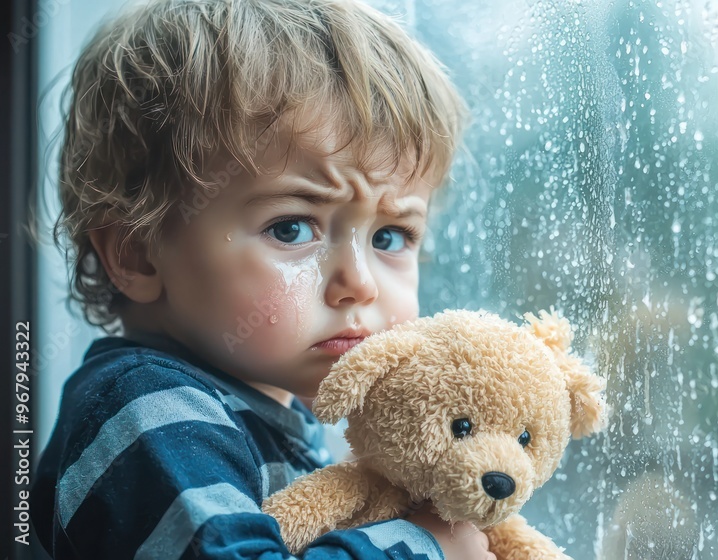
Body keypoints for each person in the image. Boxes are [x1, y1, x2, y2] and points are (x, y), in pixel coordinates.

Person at [30, 0, 490, 558]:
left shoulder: (256, 409)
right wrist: (420, 546)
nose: (360, 284)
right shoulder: (148, 410)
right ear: (138, 255)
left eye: (389, 237)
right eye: (292, 228)